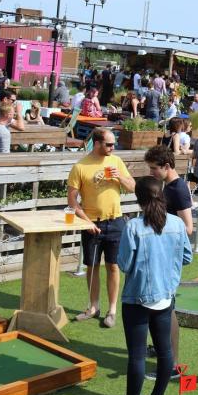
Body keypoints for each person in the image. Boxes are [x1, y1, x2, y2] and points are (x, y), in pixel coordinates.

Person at [119, 177, 193, 395]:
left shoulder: (133, 226)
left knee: (137, 355)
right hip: (165, 297)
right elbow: (187, 257)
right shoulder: (177, 224)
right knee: (165, 351)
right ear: (160, 195)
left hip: (136, 299)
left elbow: (124, 264)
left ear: (138, 199)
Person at [67, 128, 136, 328]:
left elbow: (132, 187)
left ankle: (112, 310)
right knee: (92, 266)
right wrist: (86, 221)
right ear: (96, 143)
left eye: (114, 144)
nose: (113, 148)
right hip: (92, 223)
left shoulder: (116, 161)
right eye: (109, 144)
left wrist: (119, 178)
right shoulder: (80, 166)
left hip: (115, 221)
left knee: (113, 266)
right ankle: (94, 306)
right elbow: (72, 200)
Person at [145, 146, 193, 378]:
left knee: (167, 308)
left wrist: (163, 231)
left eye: (154, 168)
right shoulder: (169, 186)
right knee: (160, 306)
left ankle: (172, 364)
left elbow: (188, 227)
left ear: (166, 166)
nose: (152, 172)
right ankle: (161, 348)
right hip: (162, 254)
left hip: (169, 257)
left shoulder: (179, 189)